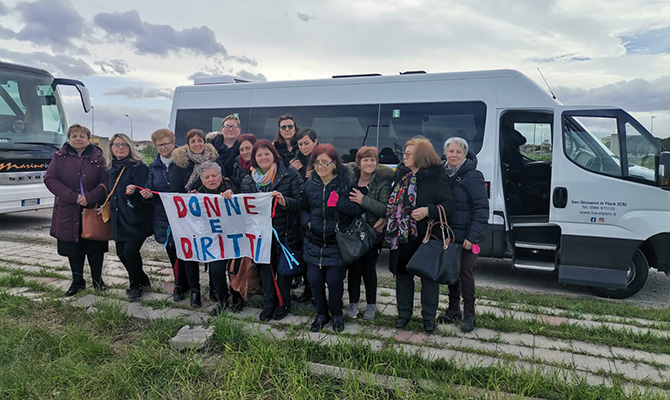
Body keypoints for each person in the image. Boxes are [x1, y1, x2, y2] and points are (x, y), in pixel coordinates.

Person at [387, 137, 455, 333]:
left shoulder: (435, 178)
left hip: (427, 236)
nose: (405, 156)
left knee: (428, 279)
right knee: (402, 276)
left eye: (410, 153)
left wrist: (428, 210)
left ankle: (428, 319)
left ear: (421, 156)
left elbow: (450, 206)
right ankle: (403, 315)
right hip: (402, 235)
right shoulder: (401, 175)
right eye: (405, 153)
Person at [239, 139, 304, 321]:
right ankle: (269, 303)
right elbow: (242, 206)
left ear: (274, 155)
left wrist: (284, 202)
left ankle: (283, 303)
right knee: (265, 270)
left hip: (284, 232)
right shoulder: (247, 180)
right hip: (260, 233)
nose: (263, 157)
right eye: (259, 155)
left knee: (283, 271)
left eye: (267, 153)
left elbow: (300, 201)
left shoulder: (288, 174)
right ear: (254, 158)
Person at [301, 144, 362, 333]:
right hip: (314, 240)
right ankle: (322, 314)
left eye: (325, 163)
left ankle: (336, 314)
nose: (320, 167)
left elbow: (357, 210)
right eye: (317, 163)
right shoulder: (310, 185)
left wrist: (340, 203)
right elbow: (303, 209)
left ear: (334, 164)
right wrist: (308, 223)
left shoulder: (346, 184)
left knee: (334, 281)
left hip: (337, 242)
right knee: (314, 280)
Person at [44, 124, 109, 296]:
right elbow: (50, 179)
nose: (78, 138)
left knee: (95, 247)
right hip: (68, 208)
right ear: (69, 138)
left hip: (92, 207)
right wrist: (73, 197)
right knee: (74, 247)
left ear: (89, 139)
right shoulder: (59, 157)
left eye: (82, 135)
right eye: (74, 135)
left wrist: (90, 197)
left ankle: (97, 280)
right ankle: (78, 281)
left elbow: (106, 182)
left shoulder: (98, 157)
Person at [128, 128, 190, 302]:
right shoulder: (153, 166)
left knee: (185, 250)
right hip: (163, 215)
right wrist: (147, 194)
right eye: (159, 145)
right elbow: (150, 187)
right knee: (172, 250)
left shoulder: (185, 161)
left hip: (184, 214)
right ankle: (179, 284)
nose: (163, 147)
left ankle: (190, 283)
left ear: (173, 142)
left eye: (166, 143)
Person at [437, 137, 489, 332]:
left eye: (459, 152)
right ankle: (453, 309)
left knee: (466, 273)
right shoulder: (441, 174)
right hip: (448, 234)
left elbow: (481, 208)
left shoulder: (473, 176)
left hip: (467, 235)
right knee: (452, 273)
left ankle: (469, 314)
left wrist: (472, 237)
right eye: (451, 151)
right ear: (445, 152)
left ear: (465, 155)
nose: (454, 155)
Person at [170, 128, 219, 307]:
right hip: (189, 216)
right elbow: (174, 191)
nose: (197, 144)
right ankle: (195, 291)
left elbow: (219, 182)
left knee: (214, 250)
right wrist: (188, 196)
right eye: (193, 141)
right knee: (191, 253)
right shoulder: (180, 163)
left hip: (210, 214)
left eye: (200, 140)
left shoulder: (214, 159)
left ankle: (215, 287)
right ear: (188, 144)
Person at [344, 146, 393, 320]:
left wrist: (362, 200)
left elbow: (385, 208)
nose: (369, 163)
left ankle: (371, 305)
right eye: (366, 160)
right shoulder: (351, 179)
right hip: (352, 233)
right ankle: (353, 304)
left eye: (372, 160)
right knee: (354, 269)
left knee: (369, 269)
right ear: (359, 162)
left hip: (373, 233)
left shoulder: (382, 183)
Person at [191, 161, 244, 315]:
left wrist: (233, 197)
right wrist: (190, 203)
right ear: (202, 180)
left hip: (235, 238)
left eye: (214, 175)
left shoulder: (232, 186)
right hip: (214, 241)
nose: (211, 179)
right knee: (216, 270)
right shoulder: (197, 193)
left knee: (234, 270)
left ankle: (237, 296)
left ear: (221, 176)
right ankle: (222, 299)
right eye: (207, 177)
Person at [108, 133, 153, 302]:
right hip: (118, 218)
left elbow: (144, 196)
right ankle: (142, 278)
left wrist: (133, 194)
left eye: (124, 144)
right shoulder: (110, 167)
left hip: (136, 218)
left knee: (130, 251)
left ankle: (136, 285)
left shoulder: (138, 167)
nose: (120, 148)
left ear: (130, 147)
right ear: (111, 148)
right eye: (117, 144)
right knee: (120, 253)